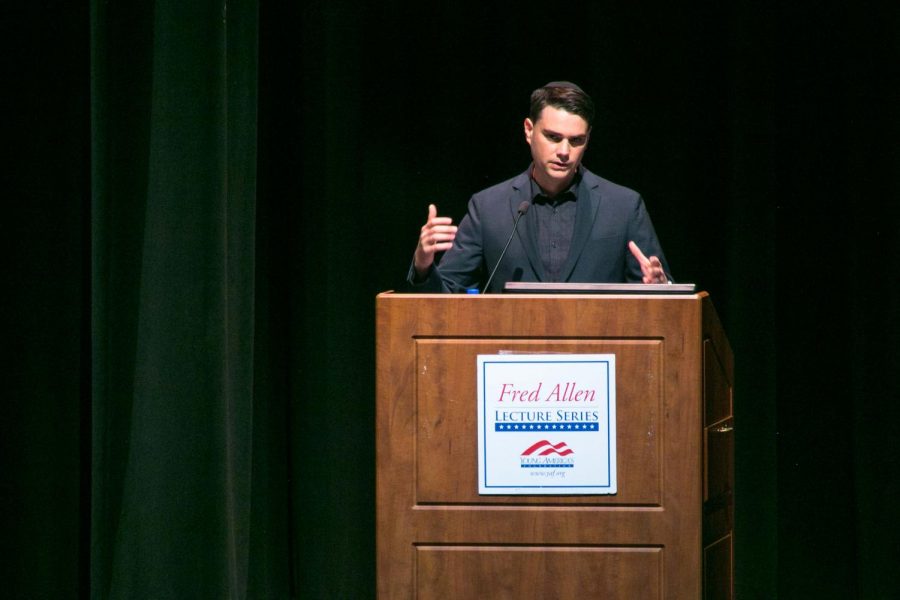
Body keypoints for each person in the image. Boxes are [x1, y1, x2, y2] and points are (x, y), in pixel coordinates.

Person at [408, 81, 671, 293]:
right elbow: (445, 297)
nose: (564, 152)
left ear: (588, 139)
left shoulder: (623, 206)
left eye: (576, 140)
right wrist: (423, 266)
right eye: (553, 137)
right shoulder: (488, 207)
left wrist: (660, 290)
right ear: (528, 130)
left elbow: (660, 290)